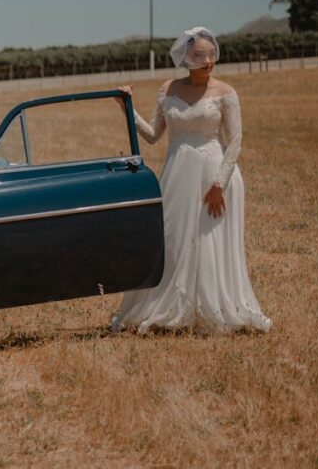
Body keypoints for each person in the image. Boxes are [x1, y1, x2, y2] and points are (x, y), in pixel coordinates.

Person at [111, 27, 272, 334]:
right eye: (200, 56)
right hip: (177, 173)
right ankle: (174, 306)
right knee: (175, 239)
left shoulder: (225, 92)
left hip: (216, 175)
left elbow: (235, 140)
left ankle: (215, 309)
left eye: (212, 55)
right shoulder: (168, 88)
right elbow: (153, 135)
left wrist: (218, 185)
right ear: (186, 58)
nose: (208, 62)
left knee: (212, 243)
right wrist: (127, 108)